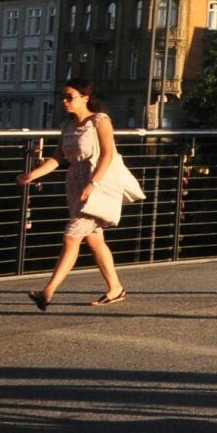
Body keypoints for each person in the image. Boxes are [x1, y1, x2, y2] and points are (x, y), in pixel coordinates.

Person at [20, 81, 129, 309]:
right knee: (94, 239)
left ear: (85, 97)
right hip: (74, 185)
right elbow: (57, 158)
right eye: (63, 97)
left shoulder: (100, 121)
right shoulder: (67, 126)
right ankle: (116, 288)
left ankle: (47, 292)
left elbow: (108, 155)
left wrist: (93, 183)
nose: (65, 101)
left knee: (71, 236)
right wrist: (33, 175)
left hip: (94, 184)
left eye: (70, 96)